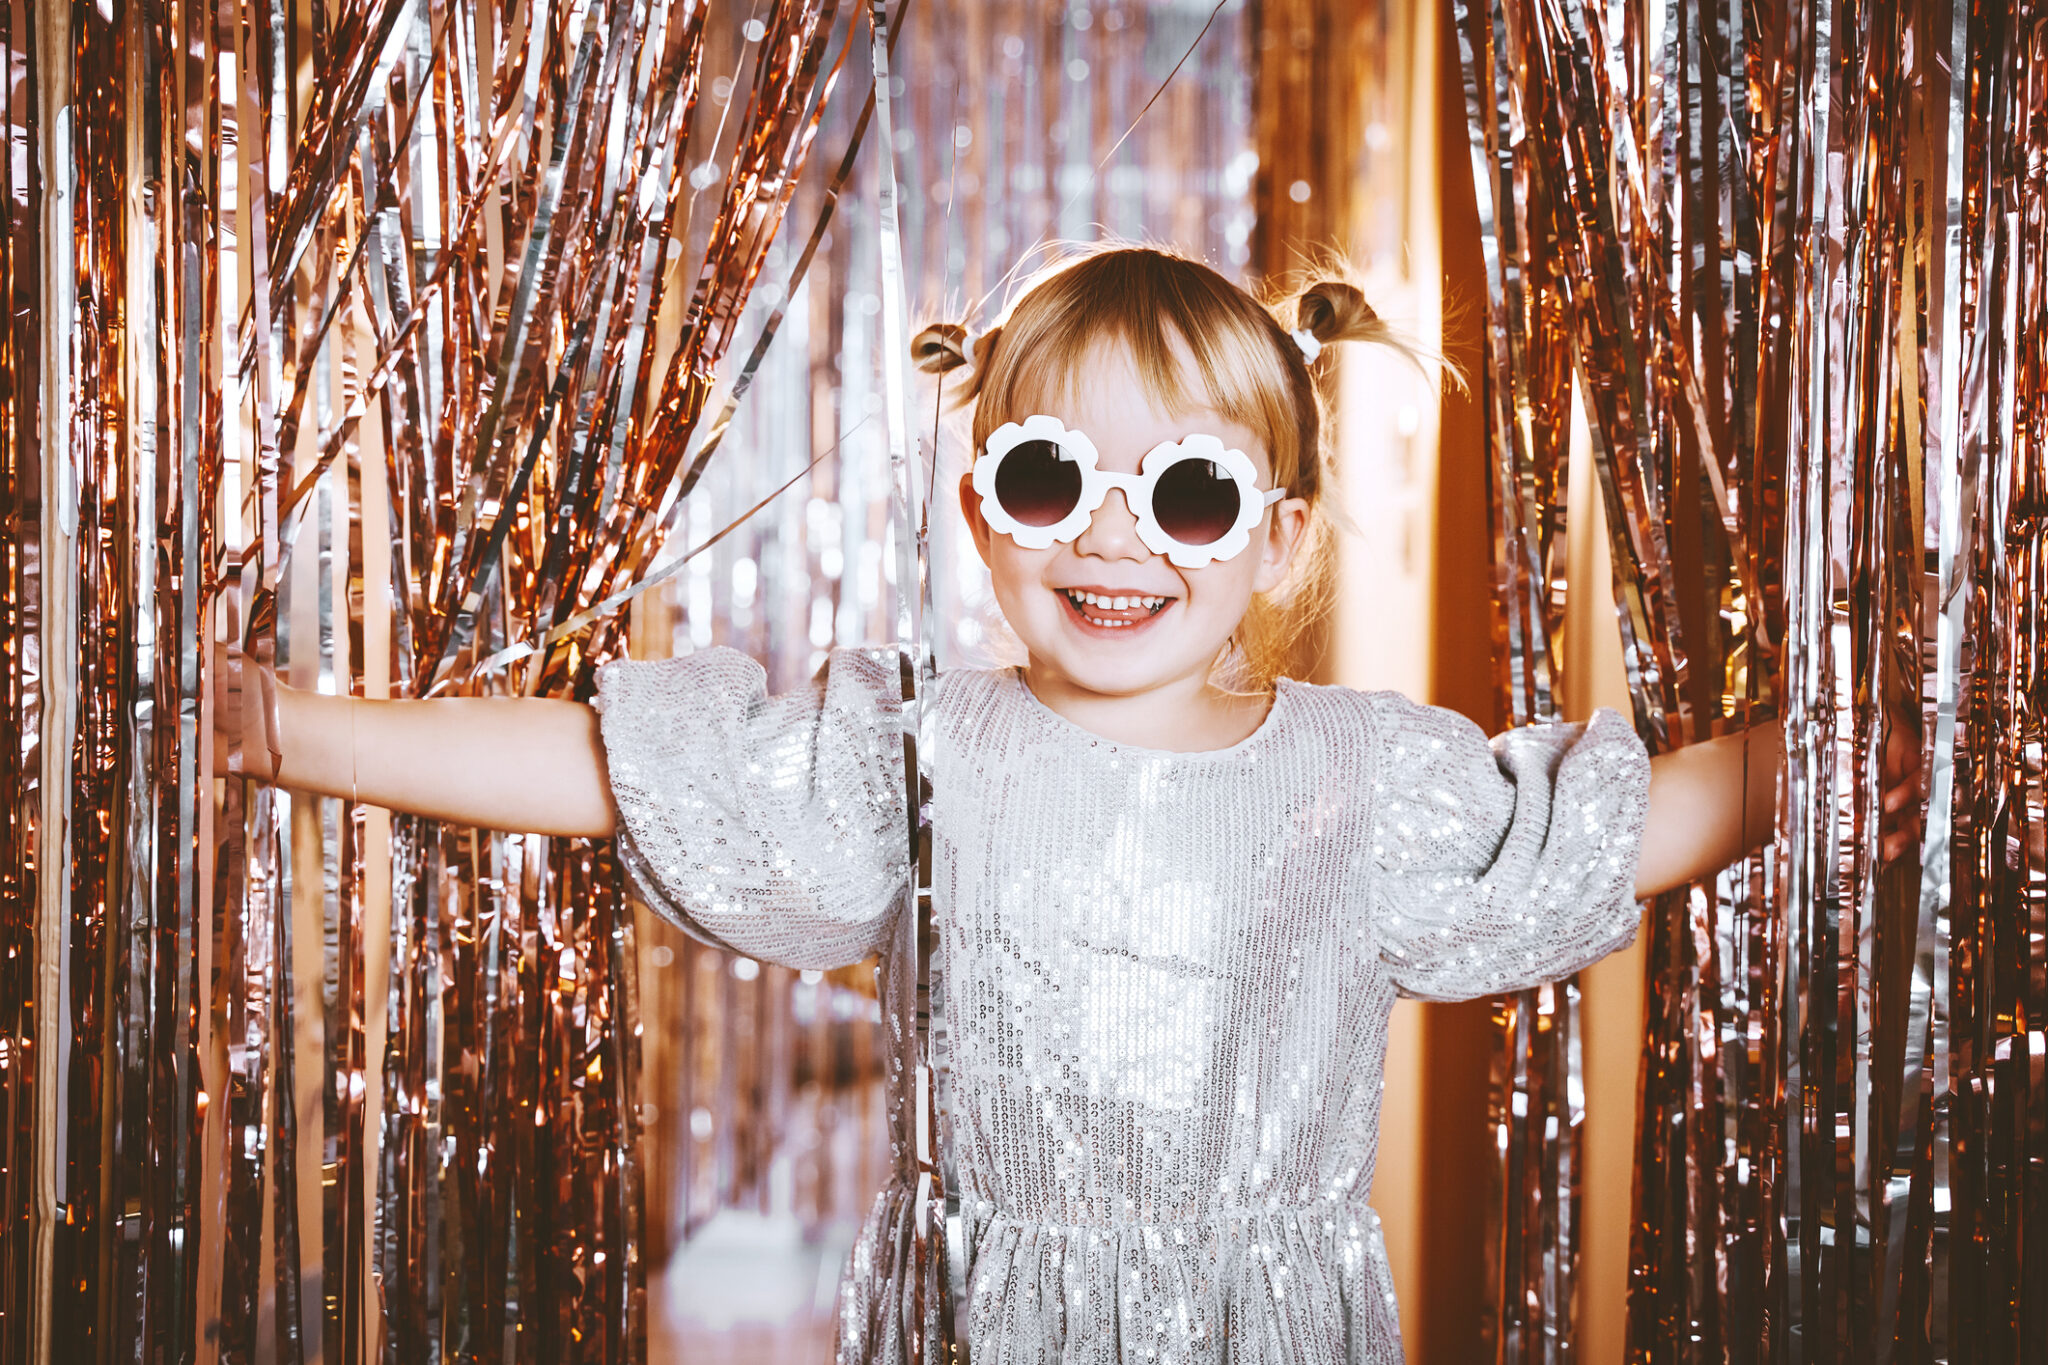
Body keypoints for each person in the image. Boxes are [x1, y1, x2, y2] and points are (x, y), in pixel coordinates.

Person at [220, 247, 1887, 1363]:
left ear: (1282, 537)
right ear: (982, 511)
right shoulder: (926, 749)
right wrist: (289, 727)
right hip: (987, 1320)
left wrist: (1847, 738)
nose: (1113, 538)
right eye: (1047, 478)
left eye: (1188, 491)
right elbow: (616, 767)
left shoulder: (1366, 776)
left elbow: (1606, 828)